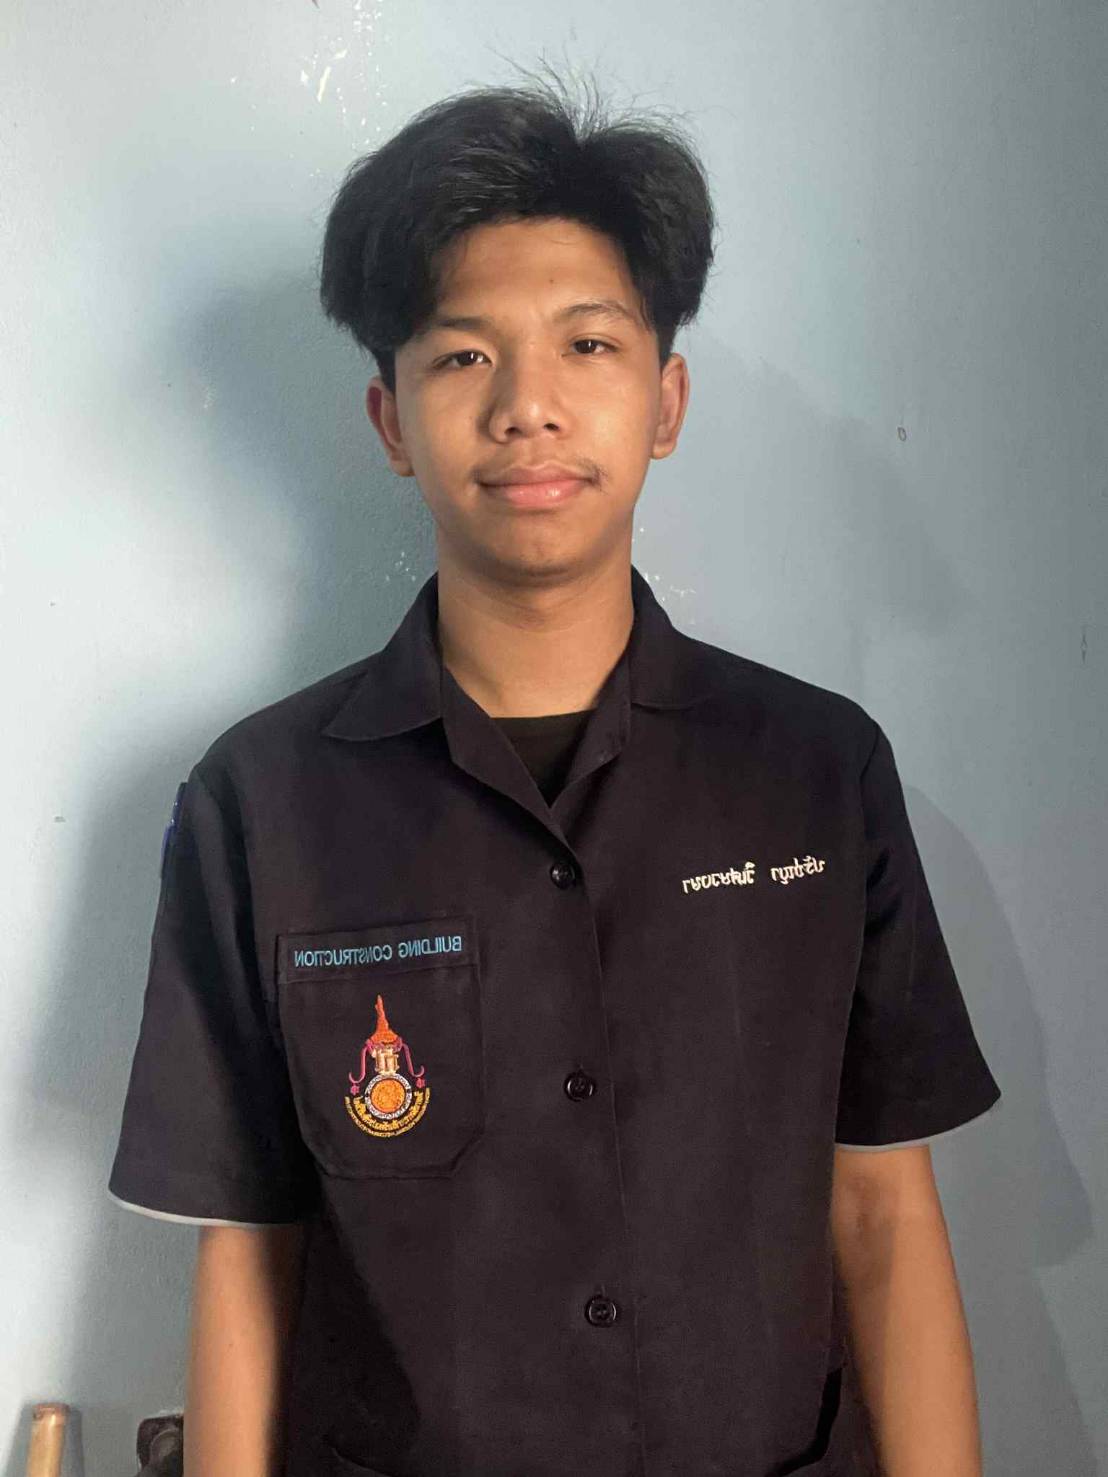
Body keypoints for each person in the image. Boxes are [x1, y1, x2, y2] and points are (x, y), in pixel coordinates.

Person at [108, 66, 1003, 1477]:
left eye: (588, 344)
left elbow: (884, 1215)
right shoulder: (258, 805)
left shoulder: (818, 774)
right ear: (390, 421)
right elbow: (248, 1256)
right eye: (464, 357)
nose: (528, 406)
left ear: (666, 398)